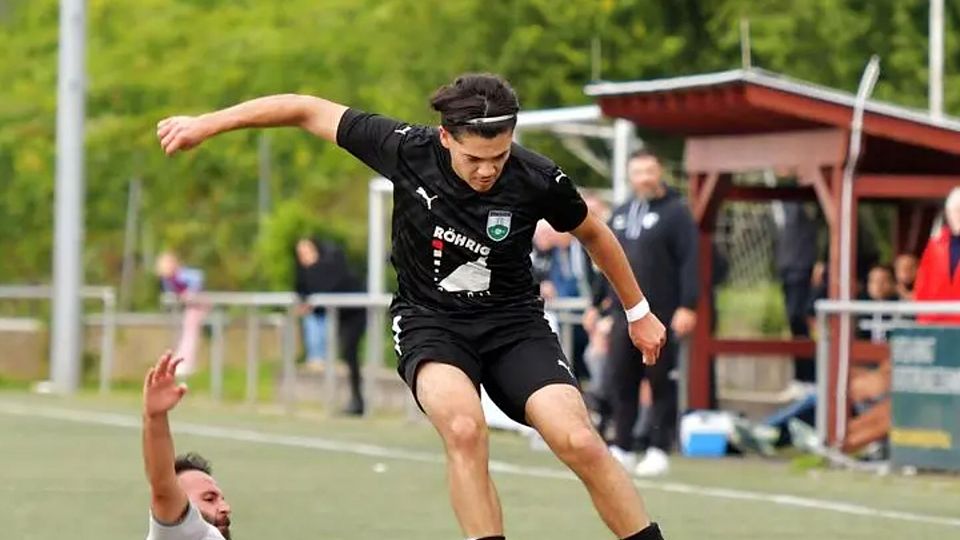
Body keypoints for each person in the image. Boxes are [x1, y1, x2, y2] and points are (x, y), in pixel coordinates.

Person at [156, 73, 667, 540]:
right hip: (431, 322)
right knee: (465, 429)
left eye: (499, 156)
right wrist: (207, 124)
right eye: (474, 159)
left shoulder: (536, 177)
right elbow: (303, 107)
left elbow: (595, 235)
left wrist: (638, 312)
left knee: (578, 439)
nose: (487, 171)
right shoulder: (403, 148)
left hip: (515, 323)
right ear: (446, 138)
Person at [602, 149, 698, 477]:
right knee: (621, 378)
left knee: (660, 381)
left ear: (660, 172)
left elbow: (691, 261)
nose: (644, 177)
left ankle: (659, 447)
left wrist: (689, 304)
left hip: (662, 311)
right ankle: (623, 445)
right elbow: (607, 260)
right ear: (629, 176)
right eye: (638, 171)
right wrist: (597, 305)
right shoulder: (620, 213)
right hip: (622, 314)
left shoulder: (677, 213)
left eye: (649, 170)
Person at [143, 351, 232, 540]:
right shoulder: (177, 534)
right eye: (209, 499)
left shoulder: (212, 536)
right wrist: (156, 418)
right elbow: (163, 486)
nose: (225, 507)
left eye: (220, 499)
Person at [294, 236, 368, 415]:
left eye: (307, 251)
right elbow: (304, 293)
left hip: (355, 313)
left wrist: (311, 303)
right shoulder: (304, 272)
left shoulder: (330, 265)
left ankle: (358, 401)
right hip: (339, 317)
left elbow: (328, 289)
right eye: (301, 253)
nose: (305, 256)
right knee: (346, 355)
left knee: (349, 352)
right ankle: (355, 400)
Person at [775, 202, 819, 383]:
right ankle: (801, 375)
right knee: (794, 321)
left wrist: (820, 259)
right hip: (786, 268)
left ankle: (806, 375)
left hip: (801, 267)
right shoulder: (779, 207)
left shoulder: (800, 206)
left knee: (799, 317)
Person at [155, 252, 207, 375]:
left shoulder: (181, 274)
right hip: (189, 306)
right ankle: (183, 361)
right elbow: (171, 292)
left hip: (198, 303)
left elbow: (198, 278)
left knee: (190, 331)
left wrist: (190, 292)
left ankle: (187, 362)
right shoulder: (168, 279)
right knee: (188, 331)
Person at [915, 186, 960, 324]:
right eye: (955, 211)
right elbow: (922, 286)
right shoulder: (934, 246)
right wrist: (923, 319)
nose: (958, 216)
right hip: (936, 323)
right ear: (948, 213)